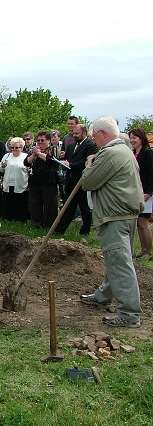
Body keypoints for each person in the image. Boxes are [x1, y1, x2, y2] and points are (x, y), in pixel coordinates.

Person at [80, 116, 143, 328]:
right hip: (126, 214)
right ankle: (103, 296)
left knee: (119, 263)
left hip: (115, 216)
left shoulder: (110, 153)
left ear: (103, 134)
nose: (93, 140)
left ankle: (130, 313)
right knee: (115, 260)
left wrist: (89, 164)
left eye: (94, 136)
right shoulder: (125, 150)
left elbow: (88, 182)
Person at [55, 123, 98, 235]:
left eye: (77, 133)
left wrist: (70, 165)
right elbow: (68, 159)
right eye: (73, 133)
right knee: (68, 206)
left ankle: (85, 230)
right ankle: (60, 230)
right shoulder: (71, 146)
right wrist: (63, 160)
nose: (74, 135)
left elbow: (86, 162)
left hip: (82, 181)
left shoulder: (90, 146)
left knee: (84, 207)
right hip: (70, 180)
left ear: (84, 133)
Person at [24, 131, 59, 228]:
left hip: (49, 181)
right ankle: (37, 224)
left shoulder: (53, 149)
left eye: (42, 140)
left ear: (48, 140)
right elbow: (26, 162)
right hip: (35, 181)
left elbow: (52, 161)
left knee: (50, 205)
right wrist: (34, 154)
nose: (40, 143)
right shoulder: (34, 150)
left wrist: (39, 154)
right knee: (35, 204)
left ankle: (49, 225)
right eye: (38, 140)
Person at [129, 128, 153, 259]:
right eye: (131, 138)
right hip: (135, 192)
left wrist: (149, 191)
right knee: (138, 222)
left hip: (145, 192)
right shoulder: (133, 153)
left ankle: (148, 251)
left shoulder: (147, 153)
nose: (132, 140)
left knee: (143, 221)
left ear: (141, 139)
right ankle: (143, 249)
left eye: (135, 138)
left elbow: (151, 173)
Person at [0, 137, 29, 222]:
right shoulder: (7, 156)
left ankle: (20, 220)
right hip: (8, 184)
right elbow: (0, 169)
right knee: (8, 202)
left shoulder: (25, 157)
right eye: (13, 147)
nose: (14, 149)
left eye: (17, 147)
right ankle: (8, 219)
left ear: (21, 148)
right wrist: (2, 166)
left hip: (21, 184)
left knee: (20, 203)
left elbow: (29, 171)